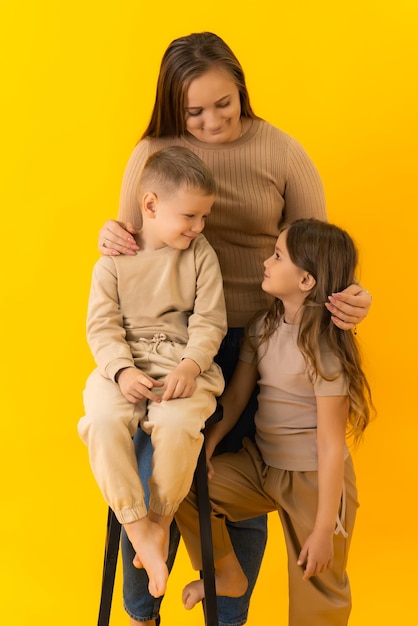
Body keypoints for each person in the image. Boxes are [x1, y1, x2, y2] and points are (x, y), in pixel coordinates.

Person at [97, 32, 373, 626]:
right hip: (163, 343)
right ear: (173, 105)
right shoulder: (152, 152)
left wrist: (353, 295)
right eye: (194, 111)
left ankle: (227, 614)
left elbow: (318, 255)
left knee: (229, 490)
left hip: (255, 340)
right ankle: (142, 612)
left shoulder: (281, 152)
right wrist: (109, 236)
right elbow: (126, 245)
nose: (212, 120)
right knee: (149, 482)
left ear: (242, 89)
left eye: (224, 103)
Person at [176, 218, 374, 625]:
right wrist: (207, 449)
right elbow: (234, 400)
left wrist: (323, 531)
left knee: (317, 599)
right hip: (262, 465)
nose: (266, 261)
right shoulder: (263, 327)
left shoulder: (326, 347)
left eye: (278, 255)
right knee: (182, 484)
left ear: (306, 280)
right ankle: (228, 575)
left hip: (313, 480)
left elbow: (331, 444)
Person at [78, 146, 227, 598]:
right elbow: (101, 327)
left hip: (181, 365)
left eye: (204, 217)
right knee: (101, 422)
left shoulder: (201, 255)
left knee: (179, 425)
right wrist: (121, 371)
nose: (198, 227)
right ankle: (137, 525)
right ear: (150, 205)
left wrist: (191, 363)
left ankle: (160, 520)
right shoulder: (112, 262)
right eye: (190, 216)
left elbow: (210, 319)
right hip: (120, 367)